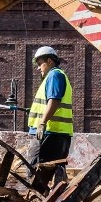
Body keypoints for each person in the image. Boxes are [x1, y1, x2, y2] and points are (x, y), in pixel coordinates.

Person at [27, 46, 73, 191]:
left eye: (40, 63)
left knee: (35, 171)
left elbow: (54, 101)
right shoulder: (56, 76)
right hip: (58, 134)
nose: (38, 68)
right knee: (54, 170)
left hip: (49, 133)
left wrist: (42, 123)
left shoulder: (54, 75)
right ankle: (55, 201)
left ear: (49, 61)